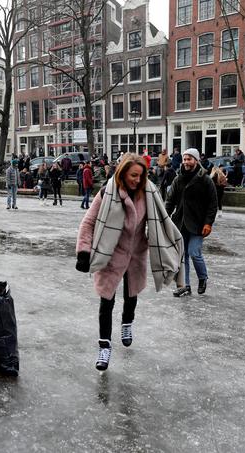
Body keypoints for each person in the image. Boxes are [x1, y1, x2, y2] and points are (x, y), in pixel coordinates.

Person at [75, 154, 183, 371]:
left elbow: (161, 219)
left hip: (136, 252)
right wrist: (83, 252)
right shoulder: (107, 192)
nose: (137, 179)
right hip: (111, 252)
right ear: (123, 172)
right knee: (106, 301)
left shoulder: (149, 192)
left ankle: (127, 323)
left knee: (131, 293)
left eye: (140, 176)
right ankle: (104, 346)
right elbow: (88, 222)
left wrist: (165, 245)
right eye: (133, 175)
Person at [166, 148, 218, 296]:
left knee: (194, 252)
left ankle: (202, 278)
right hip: (181, 222)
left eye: (189, 159)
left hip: (198, 224)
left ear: (196, 160)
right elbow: (169, 201)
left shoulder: (205, 180)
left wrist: (208, 223)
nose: (186, 162)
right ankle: (184, 285)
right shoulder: (178, 179)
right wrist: (165, 217)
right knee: (182, 256)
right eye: (184, 159)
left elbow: (212, 204)